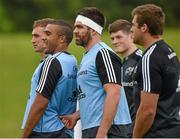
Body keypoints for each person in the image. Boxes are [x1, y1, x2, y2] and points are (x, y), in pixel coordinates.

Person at [60, 7, 131, 138]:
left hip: (110, 131)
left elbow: (114, 93)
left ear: (93, 30)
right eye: (75, 27)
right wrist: (76, 116)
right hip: (93, 129)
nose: (75, 31)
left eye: (80, 27)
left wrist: (102, 133)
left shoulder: (103, 54)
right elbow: (95, 96)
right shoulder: (88, 56)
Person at [21, 19, 78, 138]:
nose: (43, 39)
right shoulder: (72, 61)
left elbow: (40, 103)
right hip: (64, 131)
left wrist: (24, 136)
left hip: (45, 131)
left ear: (62, 38)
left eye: (47, 34)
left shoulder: (51, 61)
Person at [131, 4, 180, 138]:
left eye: (133, 24)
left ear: (144, 27)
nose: (131, 29)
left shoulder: (149, 58)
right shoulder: (169, 51)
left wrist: (135, 137)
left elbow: (148, 110)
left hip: (157, 134)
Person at [108, 19, 142, 137]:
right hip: (125, 128)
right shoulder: (121, 64)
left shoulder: (141, 60)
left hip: (139, 129)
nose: (115, 41)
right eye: (112, 38)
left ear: (131, 35)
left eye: (119, 37)